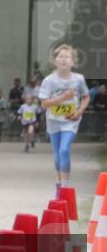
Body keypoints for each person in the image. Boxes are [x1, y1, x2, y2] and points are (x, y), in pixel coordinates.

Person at [38, 44, 90, 196]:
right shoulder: (49, 80)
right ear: (55, 61)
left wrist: (79, 111)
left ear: (73, 62)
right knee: (57, 153)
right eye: (60, 56)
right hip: (54, 120)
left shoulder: (79, 79)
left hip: (70, 121)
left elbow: (86, 96)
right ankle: (59, 183)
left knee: (64, 149)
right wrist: (63, 97)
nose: (63, 59)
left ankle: (65, 187)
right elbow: (44, 103)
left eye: (67, 57)